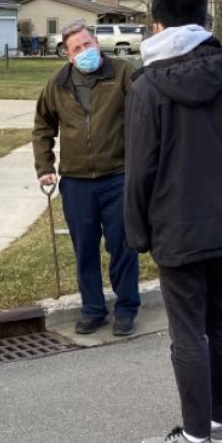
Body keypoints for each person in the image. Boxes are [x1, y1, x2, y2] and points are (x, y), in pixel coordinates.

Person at [124, 0, 222, 443]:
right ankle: (218, 422)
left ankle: (195, 437)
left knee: (188, 331)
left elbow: (139, 168)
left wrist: (136, 232)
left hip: (178, 226)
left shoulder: (147, 87)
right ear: (205, 20)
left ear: (157, 25)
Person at [32, 20, 141, 336]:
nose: (85, 51)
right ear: (68, 55)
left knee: (123, 246)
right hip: (77, 182)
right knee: (85, 249)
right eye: (77, 48)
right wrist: (44, 167)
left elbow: (145, 113)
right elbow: (42, 128)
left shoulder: (122, 73)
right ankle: (93, 310)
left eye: (88, 44)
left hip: (118, 177)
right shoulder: (58, 84)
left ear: (97, 43)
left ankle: (126, 309)